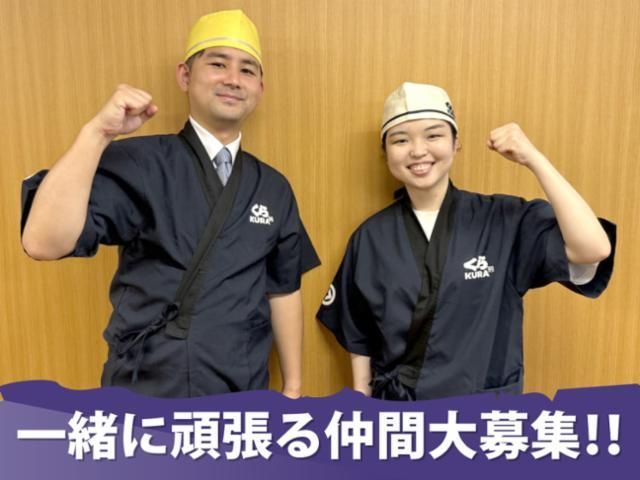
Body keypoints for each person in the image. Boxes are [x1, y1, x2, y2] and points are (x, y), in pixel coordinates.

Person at [20, 10, 320, 398]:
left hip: (241, 390)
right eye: (217, 64)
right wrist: (97, 133)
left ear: (260, 88)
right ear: (185, 76)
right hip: (149, 387)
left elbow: (283, 289)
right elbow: (43, 242)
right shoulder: (142, 163)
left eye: (247, 70)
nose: (233, 78)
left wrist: (293, 387)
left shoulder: (273, 187)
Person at [317, 82, 615, 400]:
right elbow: (359, 334)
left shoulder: (504, 220)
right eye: (400, 140)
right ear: (386, 152)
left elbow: (593, 248)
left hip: (484, 414)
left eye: (433, 136)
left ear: (456, 142)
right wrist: (362, 402)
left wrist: (533, 158)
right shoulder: (371, 237)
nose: (417, 151)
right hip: (401, 415)